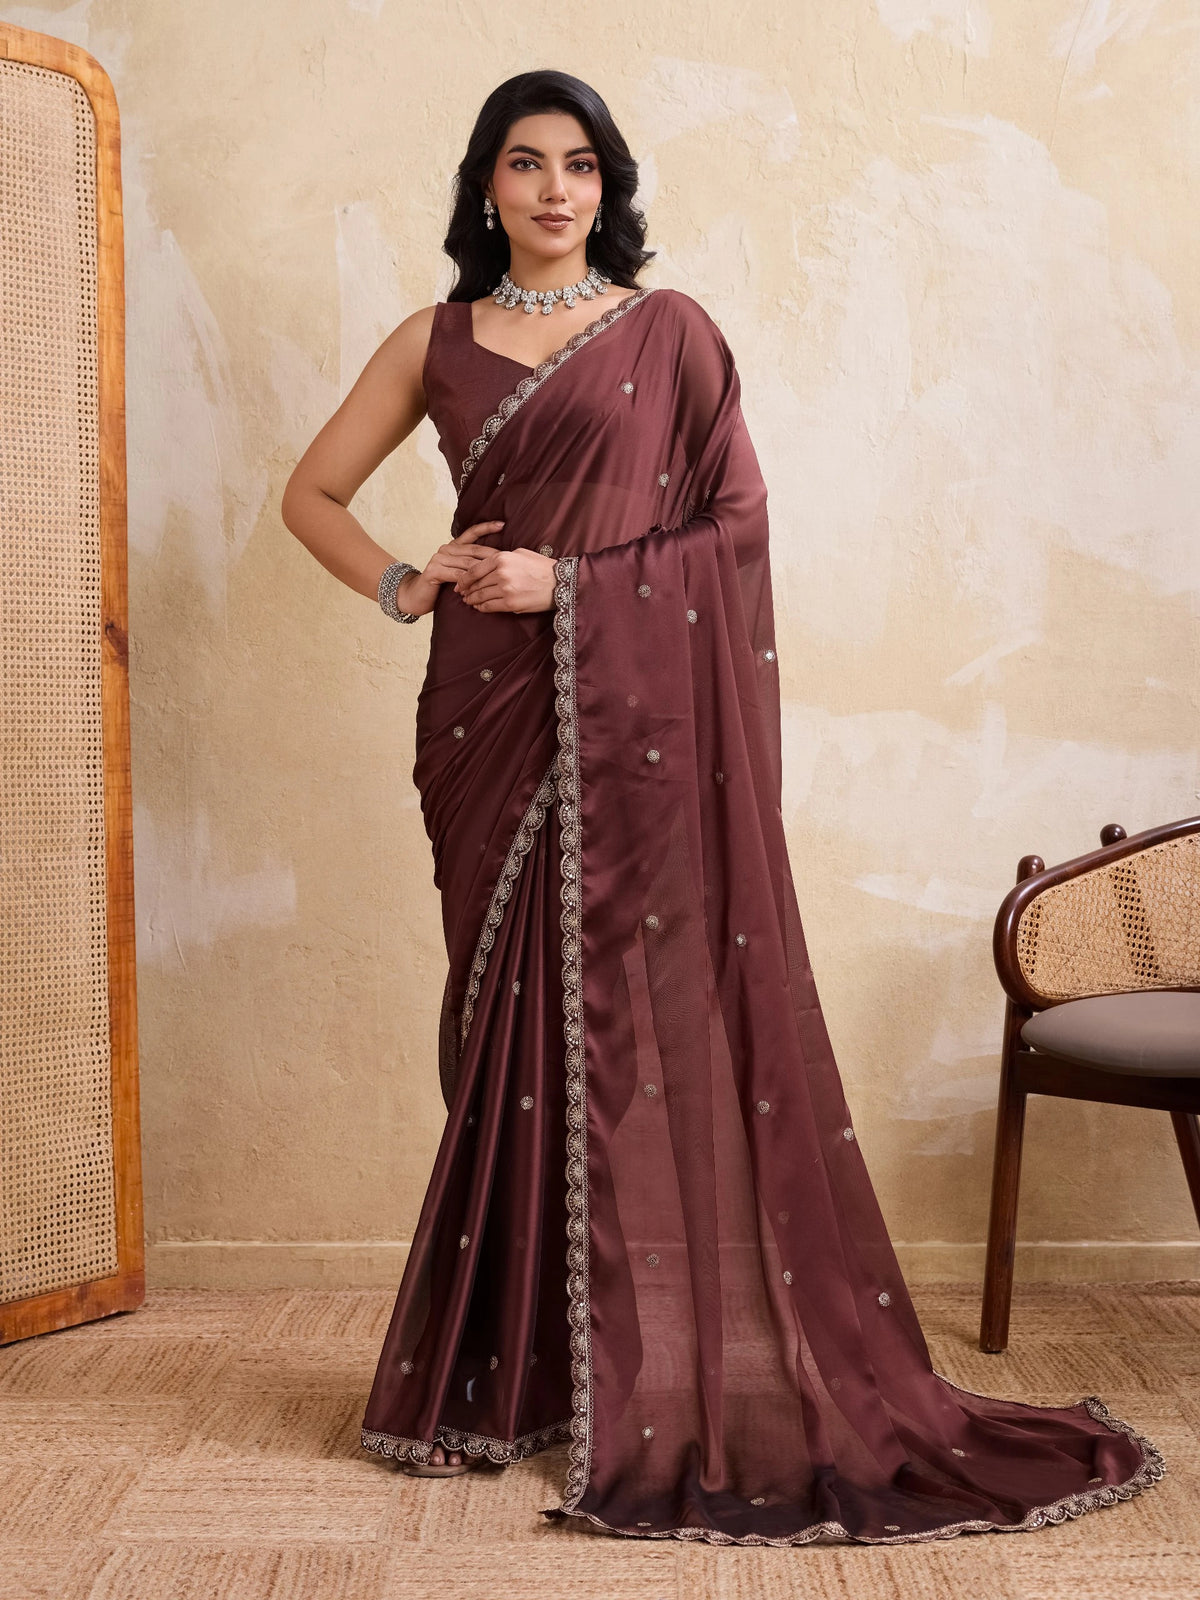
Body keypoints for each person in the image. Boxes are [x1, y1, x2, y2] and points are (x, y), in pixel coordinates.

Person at [281, 69, 1165, 1545]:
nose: (554, 189)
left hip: (633, 724)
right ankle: (515, 1374)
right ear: (485, 184)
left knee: (631, 1031)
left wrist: (568, 583)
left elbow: (735, 529)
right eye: (524, 163)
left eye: (580, 165)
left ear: (608, 187)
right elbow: (310, 493)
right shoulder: (433, 341)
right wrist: (404, 580)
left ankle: (637, 1369)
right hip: (487, 717)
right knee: (502, 1031)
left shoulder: (671, 332)